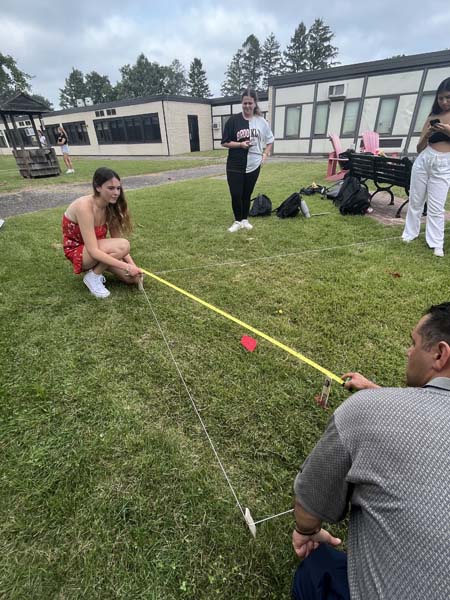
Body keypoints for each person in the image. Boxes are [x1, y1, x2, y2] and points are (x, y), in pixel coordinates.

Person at [291, 302, 450, 600]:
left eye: (413, 343)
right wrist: (379, 393)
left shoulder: (363, 412)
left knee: (317, 569)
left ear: (440, 354)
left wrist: (307, 532)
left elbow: (309, 506)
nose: (408, 351)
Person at [62, 167, 142, 298]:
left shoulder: (111, 207)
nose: (116, 192)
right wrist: (126, 267)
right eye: (111, 188)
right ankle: (93, 277)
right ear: (98, 187)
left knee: (132, 279)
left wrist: (133, 266)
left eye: (118, 188)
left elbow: (118, 243)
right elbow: (93, 250)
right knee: (124, 245)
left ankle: (96, 272)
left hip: (99, 251)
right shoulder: (84, 206)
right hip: (80, 252)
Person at [402, 78, 450, 257]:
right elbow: (419, 147)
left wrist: (446, 131)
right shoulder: (431, 117)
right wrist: (428, 134)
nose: (444, 102)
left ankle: (436, 242)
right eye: (440, 98)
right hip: (424, 159)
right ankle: (410, 233)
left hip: (444, 163)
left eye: (448, 98)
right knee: (416, 199)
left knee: (437, 206)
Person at [221, 88, 274, 233]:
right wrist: (240, 144)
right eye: (245, 103)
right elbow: (224, 142)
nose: (247, 106)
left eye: (250, 103)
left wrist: (265, 154)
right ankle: (237, 221)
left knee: (246, 194)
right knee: (236, 194)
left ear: (255, 103)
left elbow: (270, 140)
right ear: (241, 103)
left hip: (254, 164)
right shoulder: (233, 120)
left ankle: (245, 219)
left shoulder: (261, 122)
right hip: (235, 164)